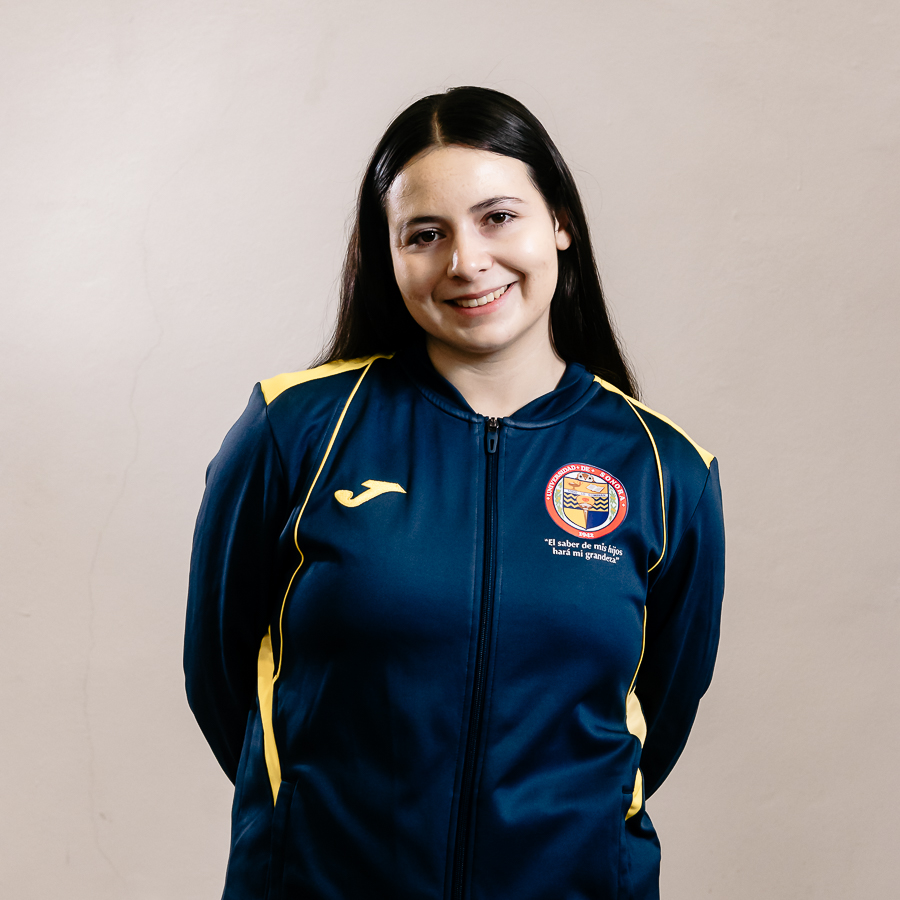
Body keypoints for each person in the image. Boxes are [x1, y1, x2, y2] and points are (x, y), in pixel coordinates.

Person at [185, 86, 725, 900]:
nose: (466, 262)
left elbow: (658, 714)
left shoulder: (666, 468)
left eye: (497, 217)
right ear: (390, 255)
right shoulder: (295, 429)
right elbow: (220, 676)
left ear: (560, 222)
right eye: (425, 234)